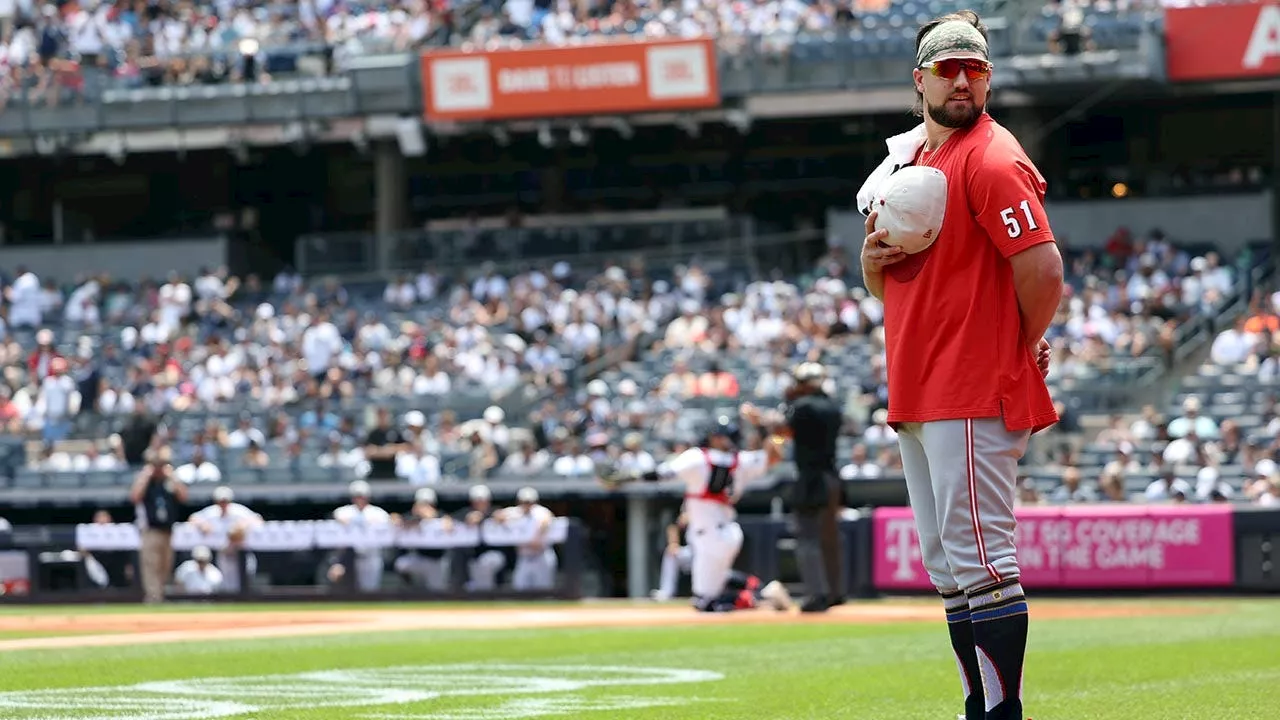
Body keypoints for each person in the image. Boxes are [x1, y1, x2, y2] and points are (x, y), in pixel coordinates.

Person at [855, 10, 1063, 720]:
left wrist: (1017, 342)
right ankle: (978, 704)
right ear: (920, 80)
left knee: (982, 562)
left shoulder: (991, 157)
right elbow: (895, 284)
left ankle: (1001, 713)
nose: (963, 81)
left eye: (975, 69)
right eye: (949, 69)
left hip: (971, 385)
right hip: (920, 383)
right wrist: (868, 264)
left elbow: (1044, 269)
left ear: (989, 79)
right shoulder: (916, 160)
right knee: (949, 569)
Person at [603, 418, 792, 613]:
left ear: (720, 438)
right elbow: (775, 455)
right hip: (726, 530)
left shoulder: (697, 457)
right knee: (716, 582)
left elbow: (660, 474)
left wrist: (624, 478)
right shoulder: (742, 460)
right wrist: (765, 429)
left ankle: (760, 596)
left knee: (705, 602)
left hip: (709, 533)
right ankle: (759, 589)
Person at [757, 362, 846, 612]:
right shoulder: (832, 406)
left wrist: (763, 421)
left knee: (807, 536)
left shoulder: (803, 406)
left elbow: (783, 432)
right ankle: (835, 592)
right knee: (830, 537)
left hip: (811, 479)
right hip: (832, 478)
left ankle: (817, 594)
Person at [128, 448, 188, 603]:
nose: (159, 468)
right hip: (150, 530)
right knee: (150, 564)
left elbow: (184, 497)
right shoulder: (146, 482)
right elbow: (134, 497)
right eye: (156, 465)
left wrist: (172, 476)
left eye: (162, 464)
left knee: (165, 565)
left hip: (168, 530)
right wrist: (146, 475)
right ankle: (153, 597)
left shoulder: (169, 482)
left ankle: (160, 594)